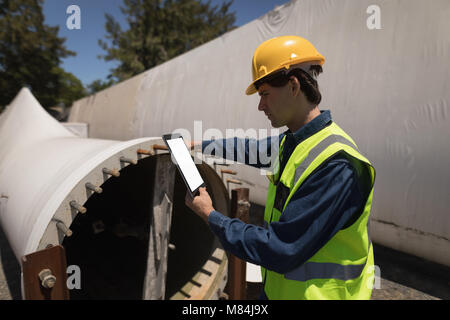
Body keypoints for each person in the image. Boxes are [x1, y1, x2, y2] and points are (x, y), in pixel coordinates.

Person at [185, 35, 376, 300]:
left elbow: (280, 249)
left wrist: (210, 215)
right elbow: (248, 148)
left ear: (294, 85)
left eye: (264, 94)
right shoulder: (295, 141)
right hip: (281, 292)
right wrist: (200, 144)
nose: (260, 105)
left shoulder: (337, 165)